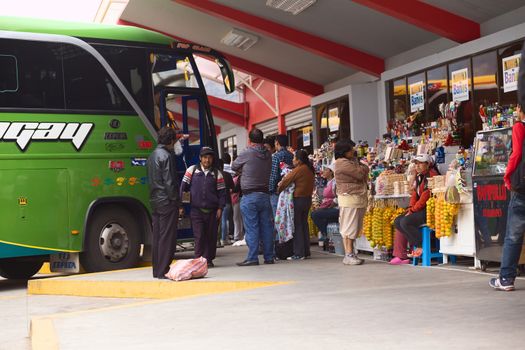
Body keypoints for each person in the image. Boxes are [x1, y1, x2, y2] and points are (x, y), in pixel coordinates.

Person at [490, 104, 525, 291]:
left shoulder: (520, 127)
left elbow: (516, 153)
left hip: (522, 190)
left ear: (521, 108)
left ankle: (506, 279)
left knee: (513, 236)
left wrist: (507, 175)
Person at [231, 128, 274, 266]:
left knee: (252, 228)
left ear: (250, 140)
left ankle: (252, 257)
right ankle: (269, 257)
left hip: (250, 196)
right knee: (267, 227)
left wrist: (244, 170)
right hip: (265, 195)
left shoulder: (247, 152)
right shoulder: (268, 154)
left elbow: (233, 166)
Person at [180, 147, 227, 268]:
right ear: (200, 158)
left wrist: (220, 208)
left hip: (212, 212)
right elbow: (183, 188)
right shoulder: (191, 170)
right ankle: (198, 259)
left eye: (210, 158)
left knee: (211, 237)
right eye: (205, 157)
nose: (207, 160)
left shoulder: (217, 173)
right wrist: (182, 205)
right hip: (196, 210)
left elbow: (222, 193)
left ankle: (208, 260)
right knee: (199, 236)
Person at [390, 154, 438, 265]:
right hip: (419, 209)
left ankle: (422, 246)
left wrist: (412, 211)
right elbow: (414, 196)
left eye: (420, 163)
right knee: (398, 221)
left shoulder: (431, 176)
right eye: (416, 163)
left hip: (429, 210)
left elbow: (424, 198)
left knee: (406, 221)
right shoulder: (419, 176)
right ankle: (414, 247)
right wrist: (410, 209)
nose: (417, 166)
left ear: (428, 164)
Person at [147, 127, 181, 279]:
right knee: (167, 237)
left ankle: (157, 270)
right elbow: (170, 182)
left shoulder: (151, 156)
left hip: (155, 201)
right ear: (171, 141)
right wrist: (177, 202)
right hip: (167, 201)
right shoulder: (167, 156)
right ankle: (163, 270)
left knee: (158, 237)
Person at [334, 139, 369, 265]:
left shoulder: (350, 162)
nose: (353, 151)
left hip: (356, 198)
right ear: (344, 151)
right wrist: (362, 166)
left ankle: (351, 253)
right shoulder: (341, 163)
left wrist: (360, 165)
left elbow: (364, 170)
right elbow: (361, 173)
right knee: (349, 227)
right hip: (349, 198)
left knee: (354, 227)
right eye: (351, 149)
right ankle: (348, 254)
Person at [278, 149, 315, 260]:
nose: (293, 160)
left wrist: (278, 189)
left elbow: (286, 180)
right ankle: (306, 251)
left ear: (299, 160)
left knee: (297, 226)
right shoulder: (309, 169)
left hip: (298, 200)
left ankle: (299, 253)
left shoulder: (299, 169)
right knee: (304, 225)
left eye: (294, 158)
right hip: (307, 200)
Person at [310, 163, 339, 240]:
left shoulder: (335, 183)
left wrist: (332, 203)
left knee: (315, 214)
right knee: (317, 213)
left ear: (331, 172)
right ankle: (327, 235)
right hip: (328, 207)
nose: (323, 172)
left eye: (326, 170)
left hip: (336, 208)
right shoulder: (328, 182)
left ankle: (326, 234)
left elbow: (338, 197)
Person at [269, 134, 294, 216]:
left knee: (278, 217)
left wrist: (271, 190)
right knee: (289, 216)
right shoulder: (292, 155)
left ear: (277, 143)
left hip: (278, 191)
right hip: (290, 189)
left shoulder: (276, 156)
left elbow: (273, 175)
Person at [218, 159, 235, 246]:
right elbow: (233, 187)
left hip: (217, 201)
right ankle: (223, 239)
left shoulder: (215, 174)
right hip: (227, 200)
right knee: (225, 220)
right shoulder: (227, 175)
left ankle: (219, 239)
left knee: (220, 221)